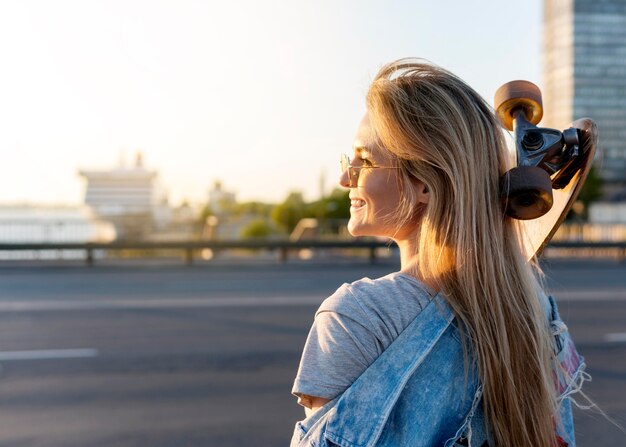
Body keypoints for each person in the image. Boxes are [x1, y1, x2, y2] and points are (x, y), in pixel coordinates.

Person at [290, 59, 586, 446]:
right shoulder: (535, 311)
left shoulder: (355, 317)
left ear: (426, 185)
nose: (346, 178)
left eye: (363, 160)